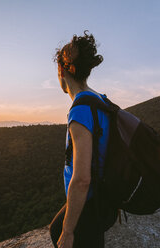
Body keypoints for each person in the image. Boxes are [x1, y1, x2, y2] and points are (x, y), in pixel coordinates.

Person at [49, 31, 113, 248]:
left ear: (62, 70)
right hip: (104, 197)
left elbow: (82, 178)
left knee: (57, 229)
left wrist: (68, 231)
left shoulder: (81, 111)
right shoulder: (100, 100)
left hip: (90, 204)